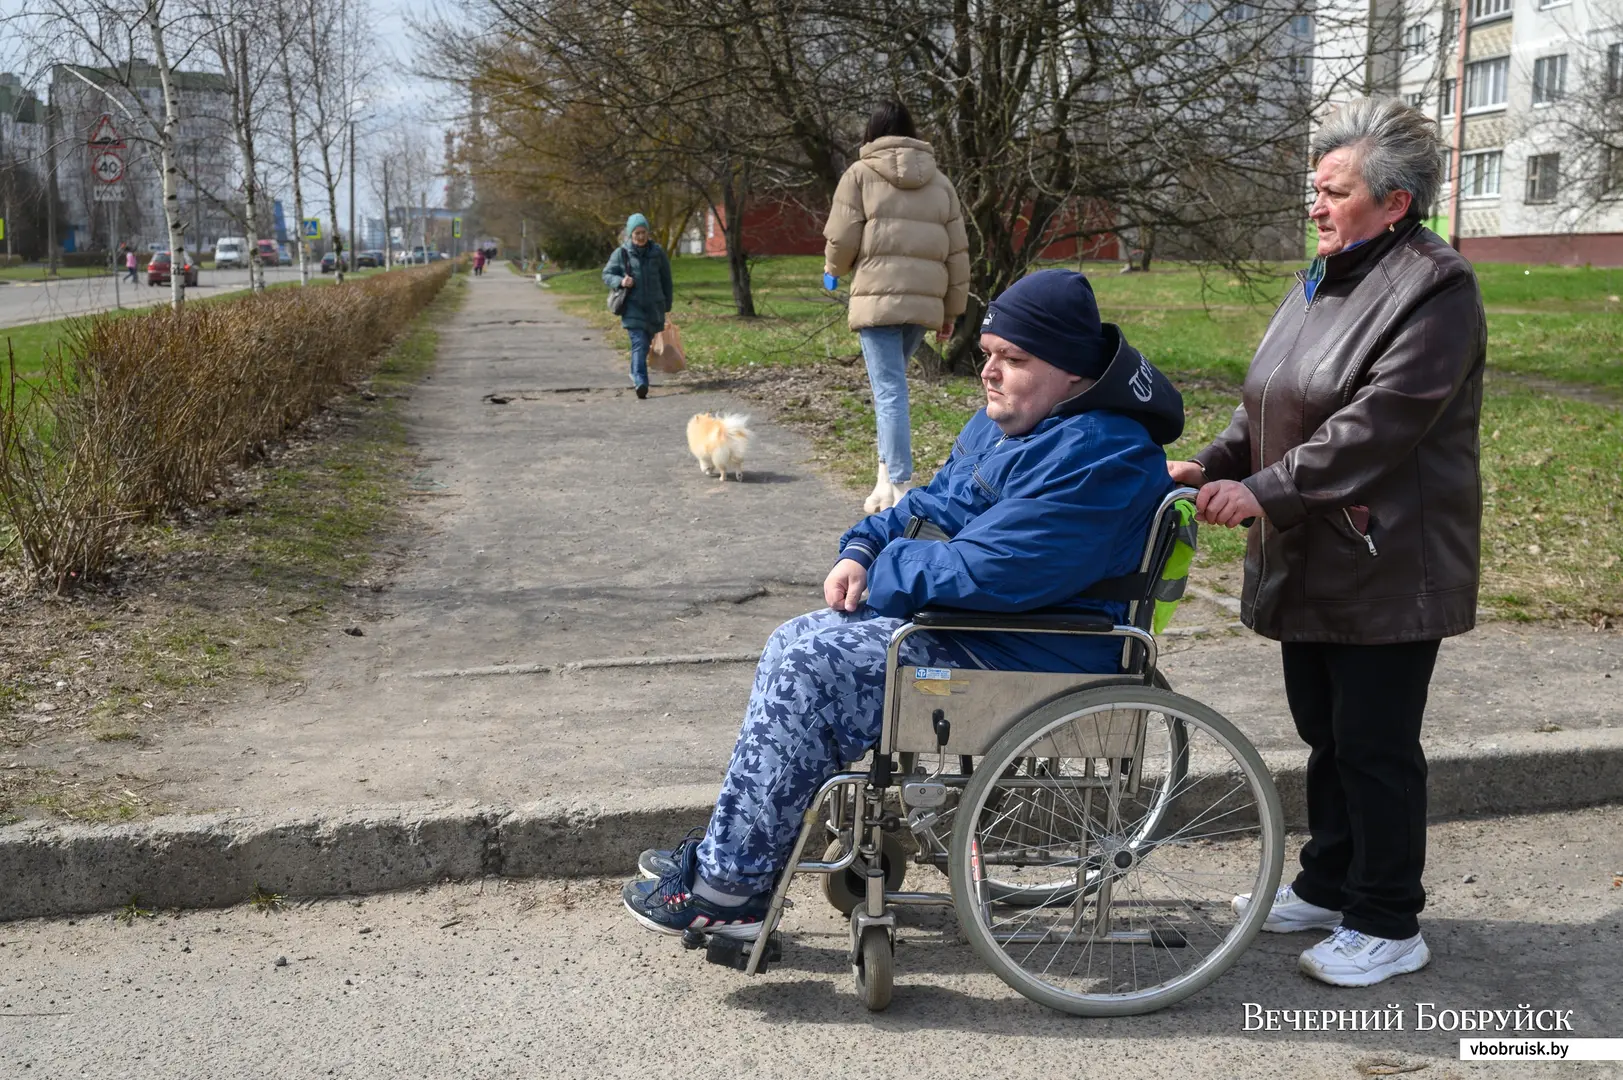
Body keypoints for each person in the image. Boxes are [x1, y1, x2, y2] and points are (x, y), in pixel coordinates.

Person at [623, 270, 1185, 939]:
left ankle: (730, 888)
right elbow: (931, 506)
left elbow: (993, 571)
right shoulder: (1013, 425)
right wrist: (861, 546)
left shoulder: (1102, 454)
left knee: (812, 666)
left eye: (1015, 359)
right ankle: (736, 856)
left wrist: (885, 570)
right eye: (987, 354)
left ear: (1072, 371)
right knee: (797, 643)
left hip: (1038, 647)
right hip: (986, 630)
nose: (991, 373)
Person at [1168, 97, 1486, 988]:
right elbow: (1269, 398)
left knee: (1375, 742)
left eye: (1333, 191)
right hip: (1312, 549)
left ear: (1394, 203)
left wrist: (1264, 490)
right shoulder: (1324, 272)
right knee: (1325, 732)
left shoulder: (1434, 287)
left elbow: (1378, 424)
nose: (1314, 206)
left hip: (1386, 558)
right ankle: (1328, 880)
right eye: (1312, 189)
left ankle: (1388, 921)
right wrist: (1212, 462)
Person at [823, 100, 970, 515]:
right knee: (890, 390)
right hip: (923, 300)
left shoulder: (859, 175)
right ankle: (883, 484)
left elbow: (841, 236)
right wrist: (951, 310)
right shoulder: (939, 182)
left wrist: (833, 269)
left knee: (889, 392)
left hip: (877, 299)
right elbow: (958, 253)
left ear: (871, 132)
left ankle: (902, 487)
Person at [601, 213, 673, 400]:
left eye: (643, 232)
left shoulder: (657, 253)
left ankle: (635, 373)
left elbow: (667, 280)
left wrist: (667, 303)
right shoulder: (621, 253)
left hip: (654, 307)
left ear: (648, 233)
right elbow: (607, 274)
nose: (640, 236)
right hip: (632, 307)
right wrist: (621, 280)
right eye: (636, 233)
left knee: (644, 344)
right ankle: (641, 382)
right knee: (639, 343)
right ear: (630, 234)